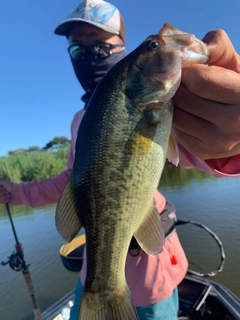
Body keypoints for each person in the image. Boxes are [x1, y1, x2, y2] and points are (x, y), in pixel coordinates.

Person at [0, 0, 240, 319]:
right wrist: (14, 193)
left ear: (123, 50)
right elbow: (73, 180)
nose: (89, 57)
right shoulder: (80, 120)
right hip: (92, 276)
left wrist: (234, 141)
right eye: (78, 51)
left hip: (153, 280)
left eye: (100, 47)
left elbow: (203, 154)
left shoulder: (171, 104)